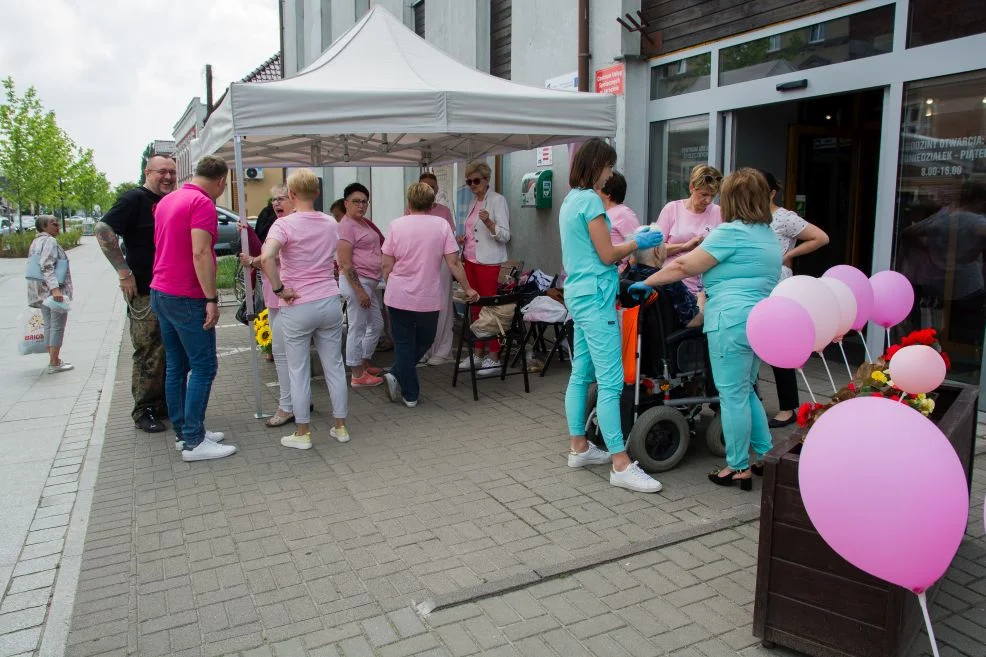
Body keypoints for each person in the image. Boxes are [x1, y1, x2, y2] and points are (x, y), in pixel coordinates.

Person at [631, 168, 782, 491]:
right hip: (760, 320)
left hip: (730, 320)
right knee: (747, 389)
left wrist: (645, 281)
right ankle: (766, 456)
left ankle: (738, 466)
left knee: (732, 396)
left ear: (733, 200)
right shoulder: (768, 235)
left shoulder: (731, 233)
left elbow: (685, 265)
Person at [560, 138, 665, 494]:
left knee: (581, 373)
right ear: (596, 166)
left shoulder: (570, 200)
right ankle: (620, 463)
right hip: (596, 297)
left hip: (579, 294)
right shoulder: (589, 200)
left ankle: (579, 447)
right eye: (608, 167)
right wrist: (638, 242)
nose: (610, 174)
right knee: (611, 381)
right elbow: (607, 254)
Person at [150, 155, 236, 462]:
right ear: (221, 181)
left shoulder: (168, 201)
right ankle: (194, 442)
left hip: (161, 290)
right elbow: (200, 252)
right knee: (203, 366)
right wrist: (211, 298)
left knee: (177, 365)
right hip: (186, 294)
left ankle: (185, 431)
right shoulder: (201, 204)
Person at [259, 169, 350, 450]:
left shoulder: (284, 225)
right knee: (334, 366)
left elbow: (266, 257)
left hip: (298, 302)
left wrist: (278, 289)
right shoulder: (330, 222)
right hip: (328, 299)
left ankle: (302, 433)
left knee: (298, 370)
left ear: (292, 194)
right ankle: (340, 427)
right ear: (317, 193)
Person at [95, 154, 177, 433]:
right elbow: (103, 228)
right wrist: (123, 271)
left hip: (169, 288)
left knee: (168, 349)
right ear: (148, 172)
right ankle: (144, 410)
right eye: (162, 172)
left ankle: (163, 403)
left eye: (172, 172)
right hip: (143, 290)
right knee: (148, 351)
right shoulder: (134, 199)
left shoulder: (167, 201)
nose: (168, 177)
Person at [381, 183, 479, 407]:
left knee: (404, 343)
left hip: (399, 295)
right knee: (426, 339)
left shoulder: (396, 225)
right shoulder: (442, 226)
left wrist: (392, 284)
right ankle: (410, 392)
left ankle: (398, 375)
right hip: (429, 296)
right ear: (432, 203)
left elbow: (386, 264)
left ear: (409, 202)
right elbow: (454, 263)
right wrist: (468, 288)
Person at [759, 170, 830, 428]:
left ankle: (788, 407)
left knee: (778, 347)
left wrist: (789, 254)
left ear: (771, 193)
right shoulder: (747, 217)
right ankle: (754, 401)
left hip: (777, 285)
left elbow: (820, 237)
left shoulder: (783, 218)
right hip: (754, 285)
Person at [240, 184, 297, 427]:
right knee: (288, 355)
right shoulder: (280, 224)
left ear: (294, 198)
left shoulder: (289, 226)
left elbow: (273, 260)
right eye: (273, 199)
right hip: (278, 298)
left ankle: (288, 405)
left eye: (282, 198)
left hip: (286, 297)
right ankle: (296, 399)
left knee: (284, 355)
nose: (276, 203)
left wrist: (253, 261)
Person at [458, 160, 510, 376]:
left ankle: (494, 356)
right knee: (475, 308)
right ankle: (478, 353)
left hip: (489, 263)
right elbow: (473, 233)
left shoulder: (498, 200)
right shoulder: (472, 203)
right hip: (470, 260)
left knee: (492, 309)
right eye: (469, 181)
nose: (472, 185)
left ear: (487, 180)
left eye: (476, 181)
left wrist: (489, 223)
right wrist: (464, 239)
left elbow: (505, 235)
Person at [336, 182, 385, 387]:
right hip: (358, 282)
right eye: (356, 201)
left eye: (365, 202)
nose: (361, 205)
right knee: (357, 327)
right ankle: (357, 375)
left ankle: (363, 363)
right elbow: (346, 263)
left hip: (369, 282)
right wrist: (360, 291)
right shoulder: (346, 226)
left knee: (377, 324)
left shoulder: (364, 223)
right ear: (346, 203)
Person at [653, 164, 723, 297]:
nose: (708, 200)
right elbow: (655, 251)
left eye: (712, 196)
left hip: (704, 289)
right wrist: (684, 246)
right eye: (703, 194)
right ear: (692, 187)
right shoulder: (672, 209)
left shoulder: (719, 213)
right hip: (672, 285)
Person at [417, 172, 457, 366]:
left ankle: (443, 349)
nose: (429, 190)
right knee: (423, 307)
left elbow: (450, 240)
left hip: (442, 263)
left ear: (437, 190)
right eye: (425, 186)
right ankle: (423, 348)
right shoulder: (411, 211)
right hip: (420, 264)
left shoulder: (444, 211)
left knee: (443, 306)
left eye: (432, 187)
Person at [27, 216, 74, 374]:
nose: (58, 226)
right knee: (57, 326)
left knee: (49, 325)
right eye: (54, 224)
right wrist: (55, 289)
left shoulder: (36, 242)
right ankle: (54, 362)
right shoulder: (50, 241)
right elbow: (46, 265)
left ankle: (53, 359)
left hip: (40, 291)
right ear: (44, 227)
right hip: (51, 291)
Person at [599, 172, 640, 257]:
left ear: (608, 195)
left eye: (599, 188)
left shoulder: (624, 214)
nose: (595, 190)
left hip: (618, 268)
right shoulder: (601, 213)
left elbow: (638, 249)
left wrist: (624, 269)